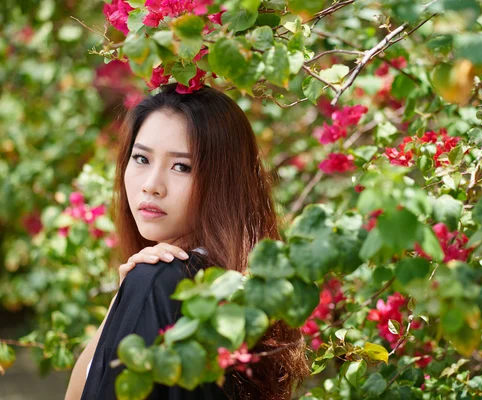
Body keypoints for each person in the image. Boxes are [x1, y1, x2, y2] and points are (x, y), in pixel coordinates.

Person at [65, 83, 310, 399]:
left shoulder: (164, 280)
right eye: (141, 159)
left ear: (222, 180)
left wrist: (143, 288)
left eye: (182, 166)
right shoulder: (238, 290)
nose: (152, 186)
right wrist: (123, 300)